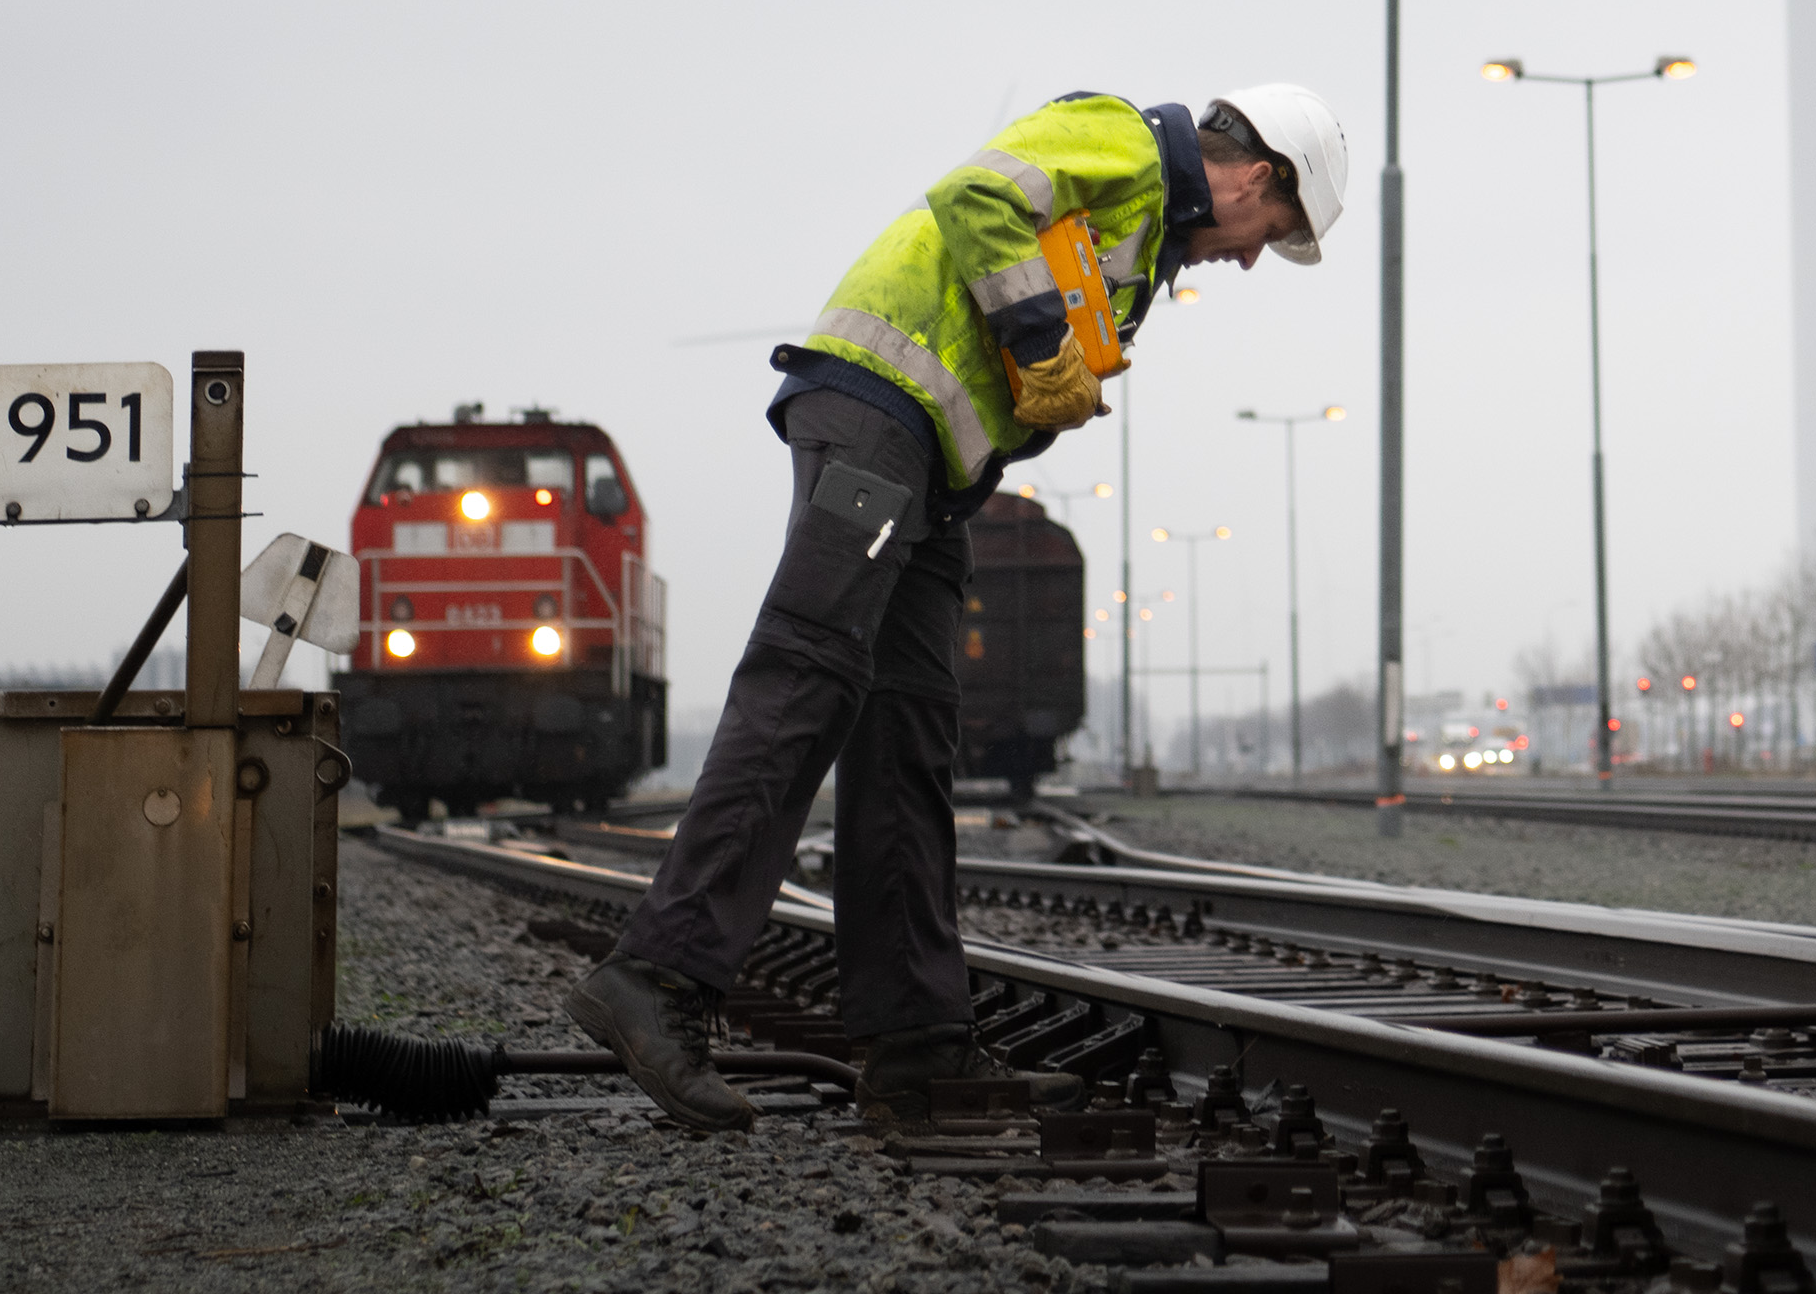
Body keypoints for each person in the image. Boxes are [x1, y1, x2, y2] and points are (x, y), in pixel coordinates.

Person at [568, 85, 1348, 1131]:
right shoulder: (1122, 136)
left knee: (909, 737)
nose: (1252, 257)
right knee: (807, 676)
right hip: (873, 416)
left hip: (928, 471)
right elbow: (975, 194)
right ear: (1260, 174)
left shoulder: (1146, 237)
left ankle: (918, 1049)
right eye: (1273, 232)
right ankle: (655, 978)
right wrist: (1038, 344)